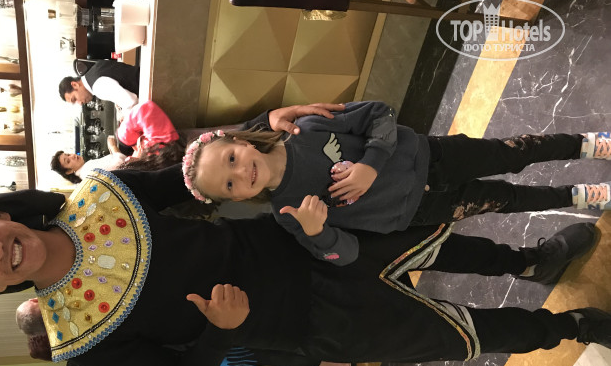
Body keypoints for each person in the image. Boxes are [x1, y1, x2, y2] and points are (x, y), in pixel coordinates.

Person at [0, 105, 611, 366]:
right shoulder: (79, 338)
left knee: (435, 241)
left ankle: (530, 262)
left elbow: (191, 181)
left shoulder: (99, 197)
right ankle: (567, 328)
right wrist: (220, 334)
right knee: (450, 334)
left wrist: (257, 131)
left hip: (296, 238)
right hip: (301, 324)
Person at [181, 102, 611, 265]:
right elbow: (345, 254)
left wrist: (370, 164)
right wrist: (319, 233)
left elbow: (379, 114)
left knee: (513, 152)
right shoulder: (289, 214)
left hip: (433, 156)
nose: (241, 174)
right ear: (235, 200)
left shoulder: (307, 128)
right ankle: (579, 197)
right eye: (230, 186)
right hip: (421, 211)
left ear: (240, 140)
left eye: (232, 159)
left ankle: (589, 144)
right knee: (504, 199)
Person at [17, 296, 351, 366]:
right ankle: (328, 355)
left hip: (188, 359)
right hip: (191, 336)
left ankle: (325, 364)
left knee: (258, 356)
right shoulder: (84, 315)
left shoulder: (79, 355)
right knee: (259, 342)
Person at [59, 60, 140, 112]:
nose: (80, 103)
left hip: (144, 87)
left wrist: (124, 116)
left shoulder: (97, 87)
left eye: (75, 99)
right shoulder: (95, 67)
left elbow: (131, 102)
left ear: (75, 85)